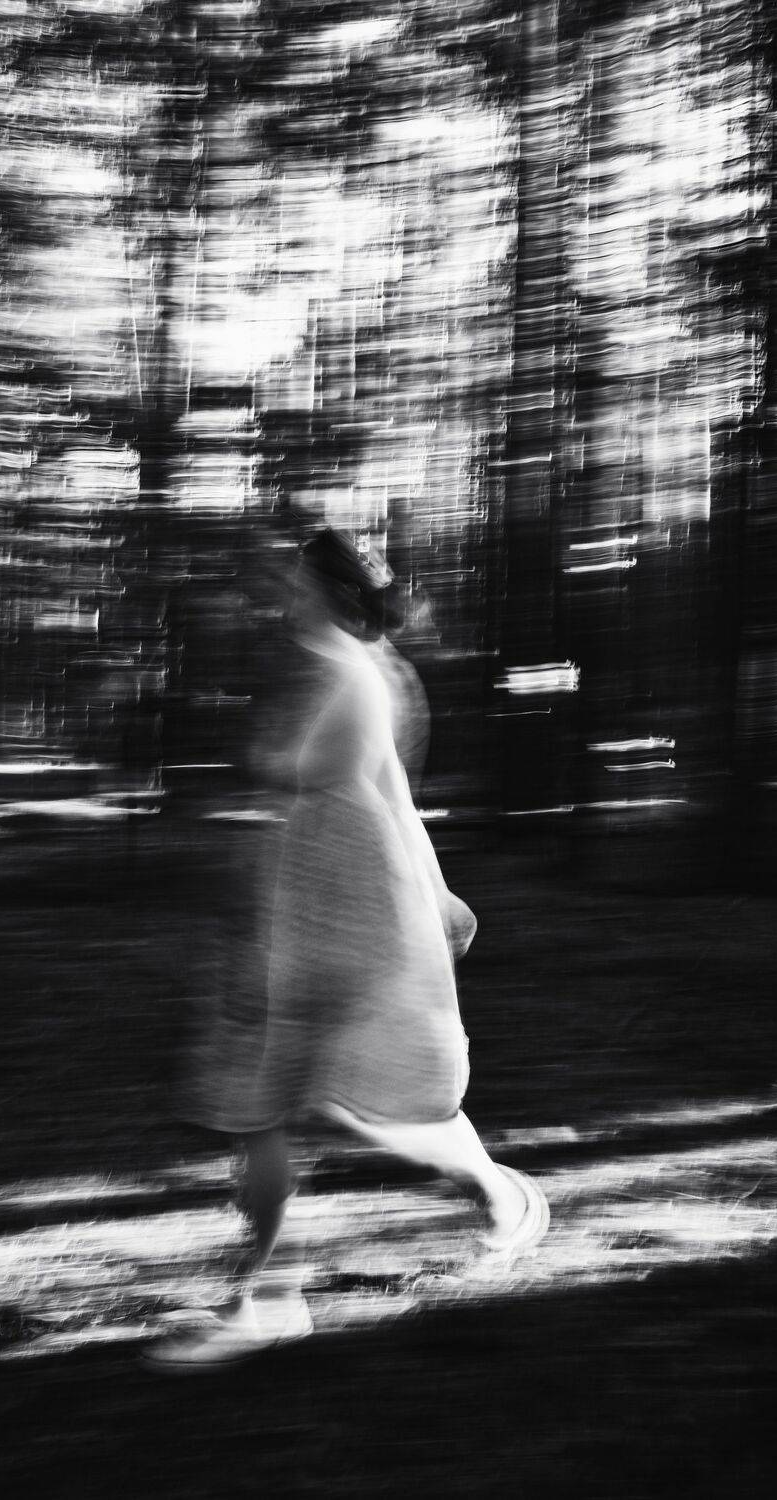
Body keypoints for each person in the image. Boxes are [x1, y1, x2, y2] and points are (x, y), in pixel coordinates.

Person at [144, 530, 547, 1369]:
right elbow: (394, 796)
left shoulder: (355, 676)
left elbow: (332, 778)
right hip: (301, 914)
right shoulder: (347, 669)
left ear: (327, 590)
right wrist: (439, 892)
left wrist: (428, 898)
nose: (284, 595)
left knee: (325, 1105)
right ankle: (278, 1291)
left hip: (345, 917)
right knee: (286, 1106)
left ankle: (277, 1296)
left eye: (297, 581)